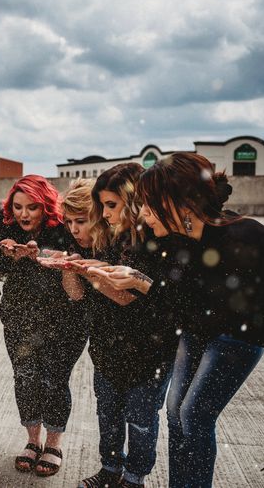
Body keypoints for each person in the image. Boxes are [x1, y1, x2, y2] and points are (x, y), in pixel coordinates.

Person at [136, 152, 264, 488]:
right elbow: (175, 305)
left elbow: (236, 307)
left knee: (194, 415)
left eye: (149, 204)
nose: (143, 213)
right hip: (195, 333)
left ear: (182, 203)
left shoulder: (246, 235)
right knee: (176, 414)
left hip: (238, 339)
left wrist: (142, 285)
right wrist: (138, 283)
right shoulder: (170, 243)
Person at [70, 163, 178, 488]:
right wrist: (85, 266)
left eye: (111, 205)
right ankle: (110, 469)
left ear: (135, 200)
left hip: (150, 352)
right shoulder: (109, 237)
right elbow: (99, 284)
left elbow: (127, 297)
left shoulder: (158, 240)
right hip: (107, 345)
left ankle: (134, 478)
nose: (103, 213)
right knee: (108, 415)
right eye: (102, 205)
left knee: (142, 421)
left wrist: (92, 275)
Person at [0, 175, 85, 478]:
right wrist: (8, 254)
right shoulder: (3, 225)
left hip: (64, 321)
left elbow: (77, 279)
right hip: (19, 317)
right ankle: (32, 441)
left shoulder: (62, 229)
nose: (24, 214)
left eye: (32, 207)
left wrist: (48, 257)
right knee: (25, 378)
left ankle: (54, 444)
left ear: (45, 205)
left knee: (55, 380)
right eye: (18, 207)